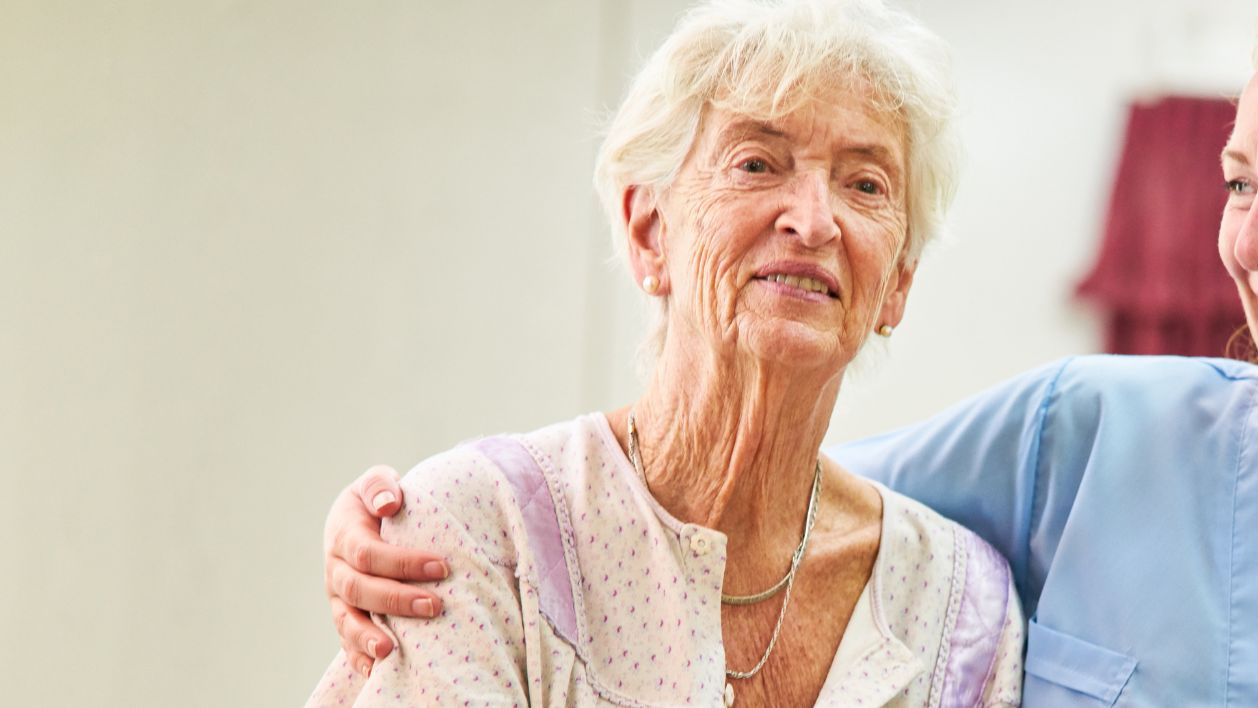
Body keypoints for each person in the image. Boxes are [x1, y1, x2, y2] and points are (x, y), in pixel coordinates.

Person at [321, 0, 1258, 703]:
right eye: (1239, 181)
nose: (1255, 239)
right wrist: (407, 528)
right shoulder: (1086, 443)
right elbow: (711, 509)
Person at [304, 0, 1026, 705]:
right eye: (756, 164)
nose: (813, 221)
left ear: (898, 281)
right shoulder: (477, 531)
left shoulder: (962, 613)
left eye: (864, 183)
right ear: (650, 230)